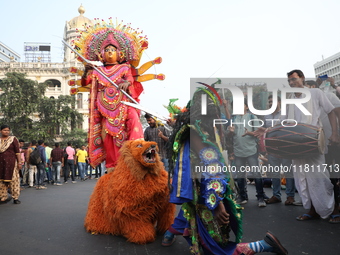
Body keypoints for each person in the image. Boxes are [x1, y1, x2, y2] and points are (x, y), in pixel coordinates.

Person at [162, 87, 288, 255]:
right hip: (203, 196)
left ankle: (263, 245)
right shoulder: (197, 130)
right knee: (202, 240)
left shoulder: (198, 131)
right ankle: (171, 233)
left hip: (207, 197)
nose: (216, 111)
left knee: (213, 248)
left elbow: (211, 165)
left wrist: (217, 203)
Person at [78, 23, 147, 173]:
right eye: (107, 50)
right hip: (104, 110)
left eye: (112, 50)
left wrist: (126, 83)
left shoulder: (124, 67)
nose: (109, 52)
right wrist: (86, 70)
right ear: (101, 54)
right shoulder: (98, 70)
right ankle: (112, 168)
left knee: (134, 119)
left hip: (122, 105)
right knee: (108, 139)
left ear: (119, 53)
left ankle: (137, 152)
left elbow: (130, 80)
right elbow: (85, 83)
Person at [227, 98, 267, 207]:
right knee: (240, 175)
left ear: (246, 106)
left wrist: (250, 133)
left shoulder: (252, 117)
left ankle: (260, 198)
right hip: (238, 151)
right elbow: (229, 135)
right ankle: (243, 197)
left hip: (251, 150)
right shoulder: (233, 119)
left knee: (256, 174)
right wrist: (230, 132)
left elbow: (259, 133)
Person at [263, 95, 297, 205]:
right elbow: (265, 133)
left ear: (279, 102)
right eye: (269, 101)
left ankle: (290, 196)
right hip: (272, 149)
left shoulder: (285, 114)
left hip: (285, 148)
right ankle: (276, 195)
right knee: (274, 173)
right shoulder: (266, 116)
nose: (270, 103)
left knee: (288, 172)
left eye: (272, 101)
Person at [0, 125, 22, 204]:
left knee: (14, 181)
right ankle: (3, 197)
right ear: (0, 131)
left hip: (12, 164)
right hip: (1, 164)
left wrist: (19, 162)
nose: (6, 132)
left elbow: (17, 152)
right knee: (1, 181)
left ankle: (15, 198)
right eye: (4, 130)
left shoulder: (13, 139)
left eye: (8, 130)